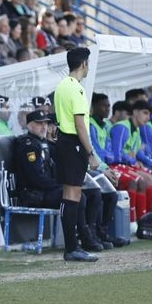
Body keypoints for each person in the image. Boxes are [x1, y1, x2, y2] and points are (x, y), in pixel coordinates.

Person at [53, 47, 98, 262]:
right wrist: (91, 152)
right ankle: (71, 247)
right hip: (73, 143)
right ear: (83, 64)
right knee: (72, 195)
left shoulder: (61, 86)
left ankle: (72, 246)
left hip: (64, 141)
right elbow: (80, 125)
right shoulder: (77, 89)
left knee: (69, 195)